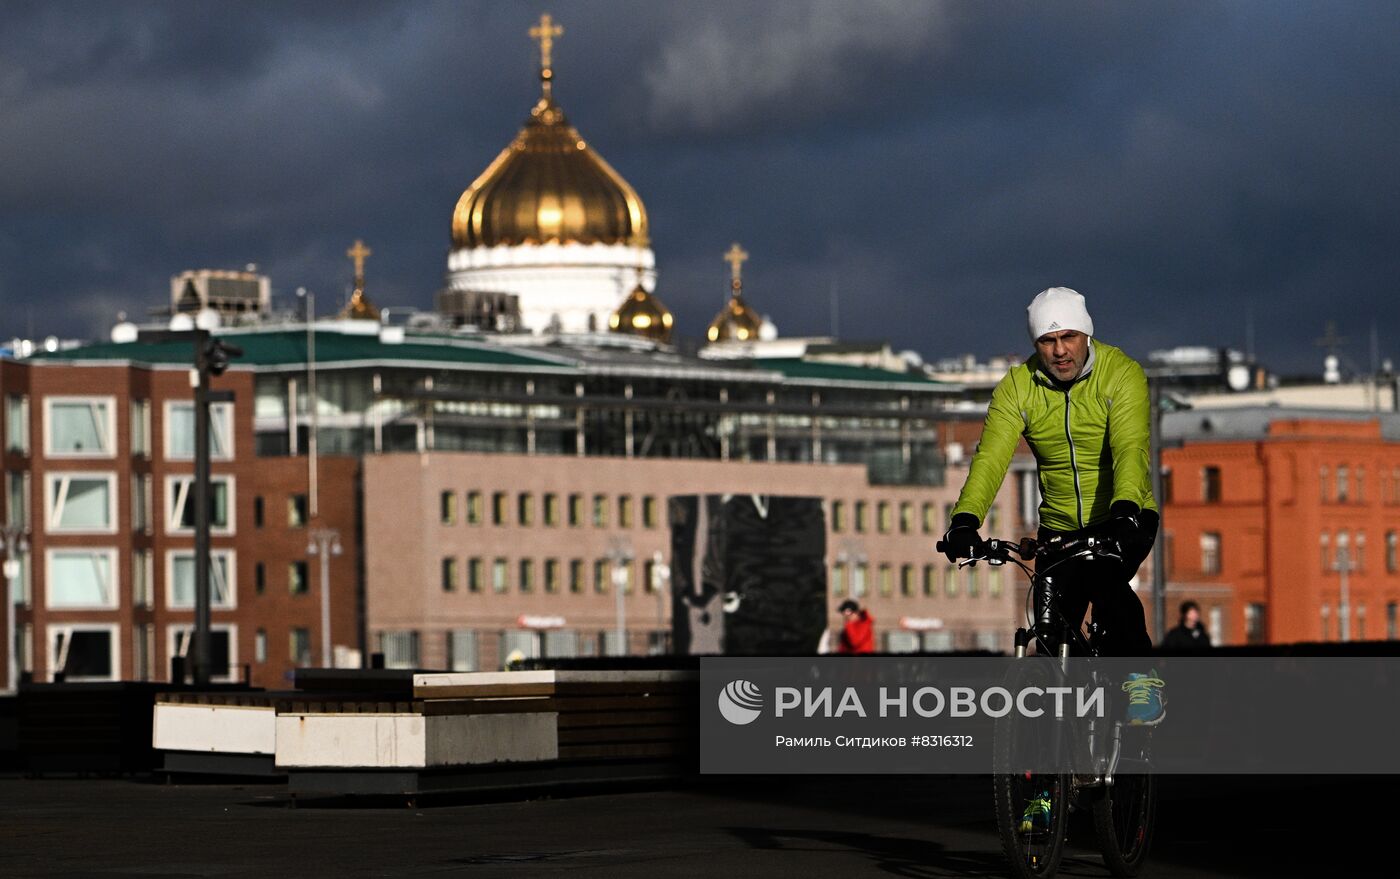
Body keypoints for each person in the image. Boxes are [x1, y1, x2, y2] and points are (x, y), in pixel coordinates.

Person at [942, 287, 1164, 723]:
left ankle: (1142, 682)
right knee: (1048, 634)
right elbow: (990, 458)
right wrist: (965, 521)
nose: (1060, 351)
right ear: (1035, 345)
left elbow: (1130, 448)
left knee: (1106, 583)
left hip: (1126, 514)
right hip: (1059, 527)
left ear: (1086, 334)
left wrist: (1123, 511)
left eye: (1069, 337)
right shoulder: (1018, 387)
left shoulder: (1122, 374)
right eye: (1047, 340)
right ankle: (1048, 782)